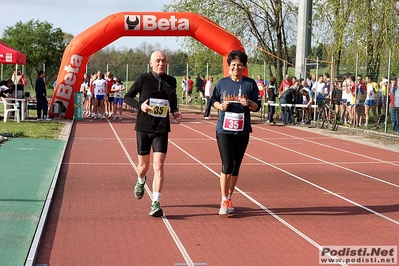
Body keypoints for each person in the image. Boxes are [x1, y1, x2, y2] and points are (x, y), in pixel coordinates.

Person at [124, 50, 182, 217]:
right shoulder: (143, 78)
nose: (161, 63)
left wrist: (175, 112)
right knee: (143, 167)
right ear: (151, 63)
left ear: (167, 63)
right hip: (143, 127)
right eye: (157, 61)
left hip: (161, 129)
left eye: (163, 61)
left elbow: (173, 99)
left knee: (159, 165)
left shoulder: (171, 81)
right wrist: (140, 105)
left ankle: (155, 202)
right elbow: (127, 97)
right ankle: (141, 180)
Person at [211, 50, 261, 215]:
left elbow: (257, 106)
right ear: (229, 66)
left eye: (240, 65)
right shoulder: (222, 83)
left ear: (244, 67)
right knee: (226, 165)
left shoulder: (250, 84)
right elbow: (214, 101)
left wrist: (249, 103)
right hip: (224, 130)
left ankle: (230, 195)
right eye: (233, 65)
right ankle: (224, 199)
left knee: (236, 167)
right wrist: (220, 107)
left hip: (242, 129)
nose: (236, 67)